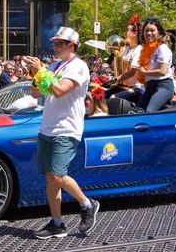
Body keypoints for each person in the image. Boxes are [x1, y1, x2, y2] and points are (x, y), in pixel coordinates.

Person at [23, 26, 99, 239]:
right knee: (50, 178)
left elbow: (59, 90)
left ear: (71, 45)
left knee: (58, 174)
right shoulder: (55, 65)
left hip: (67, 127)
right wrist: (38, 72)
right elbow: (36, 91)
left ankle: (87, 204)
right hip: (48, 126)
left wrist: (41, 70)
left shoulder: (79, 67)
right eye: (54, 43)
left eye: (59, 43)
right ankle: (57, 223)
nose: (55, 46)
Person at [136, 18, 174, 112]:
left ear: (159, 32)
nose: (149, 33)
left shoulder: (162, 48)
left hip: (164, 85)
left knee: (150, 111)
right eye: (146, 30)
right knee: (138, 110)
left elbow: (162, 71)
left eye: (152, 30)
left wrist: (145, 72)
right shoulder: (146, 49)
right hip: (150, 86)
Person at [106, 16, 144, 103]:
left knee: (113, 98)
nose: (125, 32)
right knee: (102, 96)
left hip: (136, 88)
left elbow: (132, 72)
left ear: (135, 33)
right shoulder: (125, 49)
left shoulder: (139, 49)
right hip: (123, 86)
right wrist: (113, 56)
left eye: (127, 30)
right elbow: (116, 68)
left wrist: (115, 79)